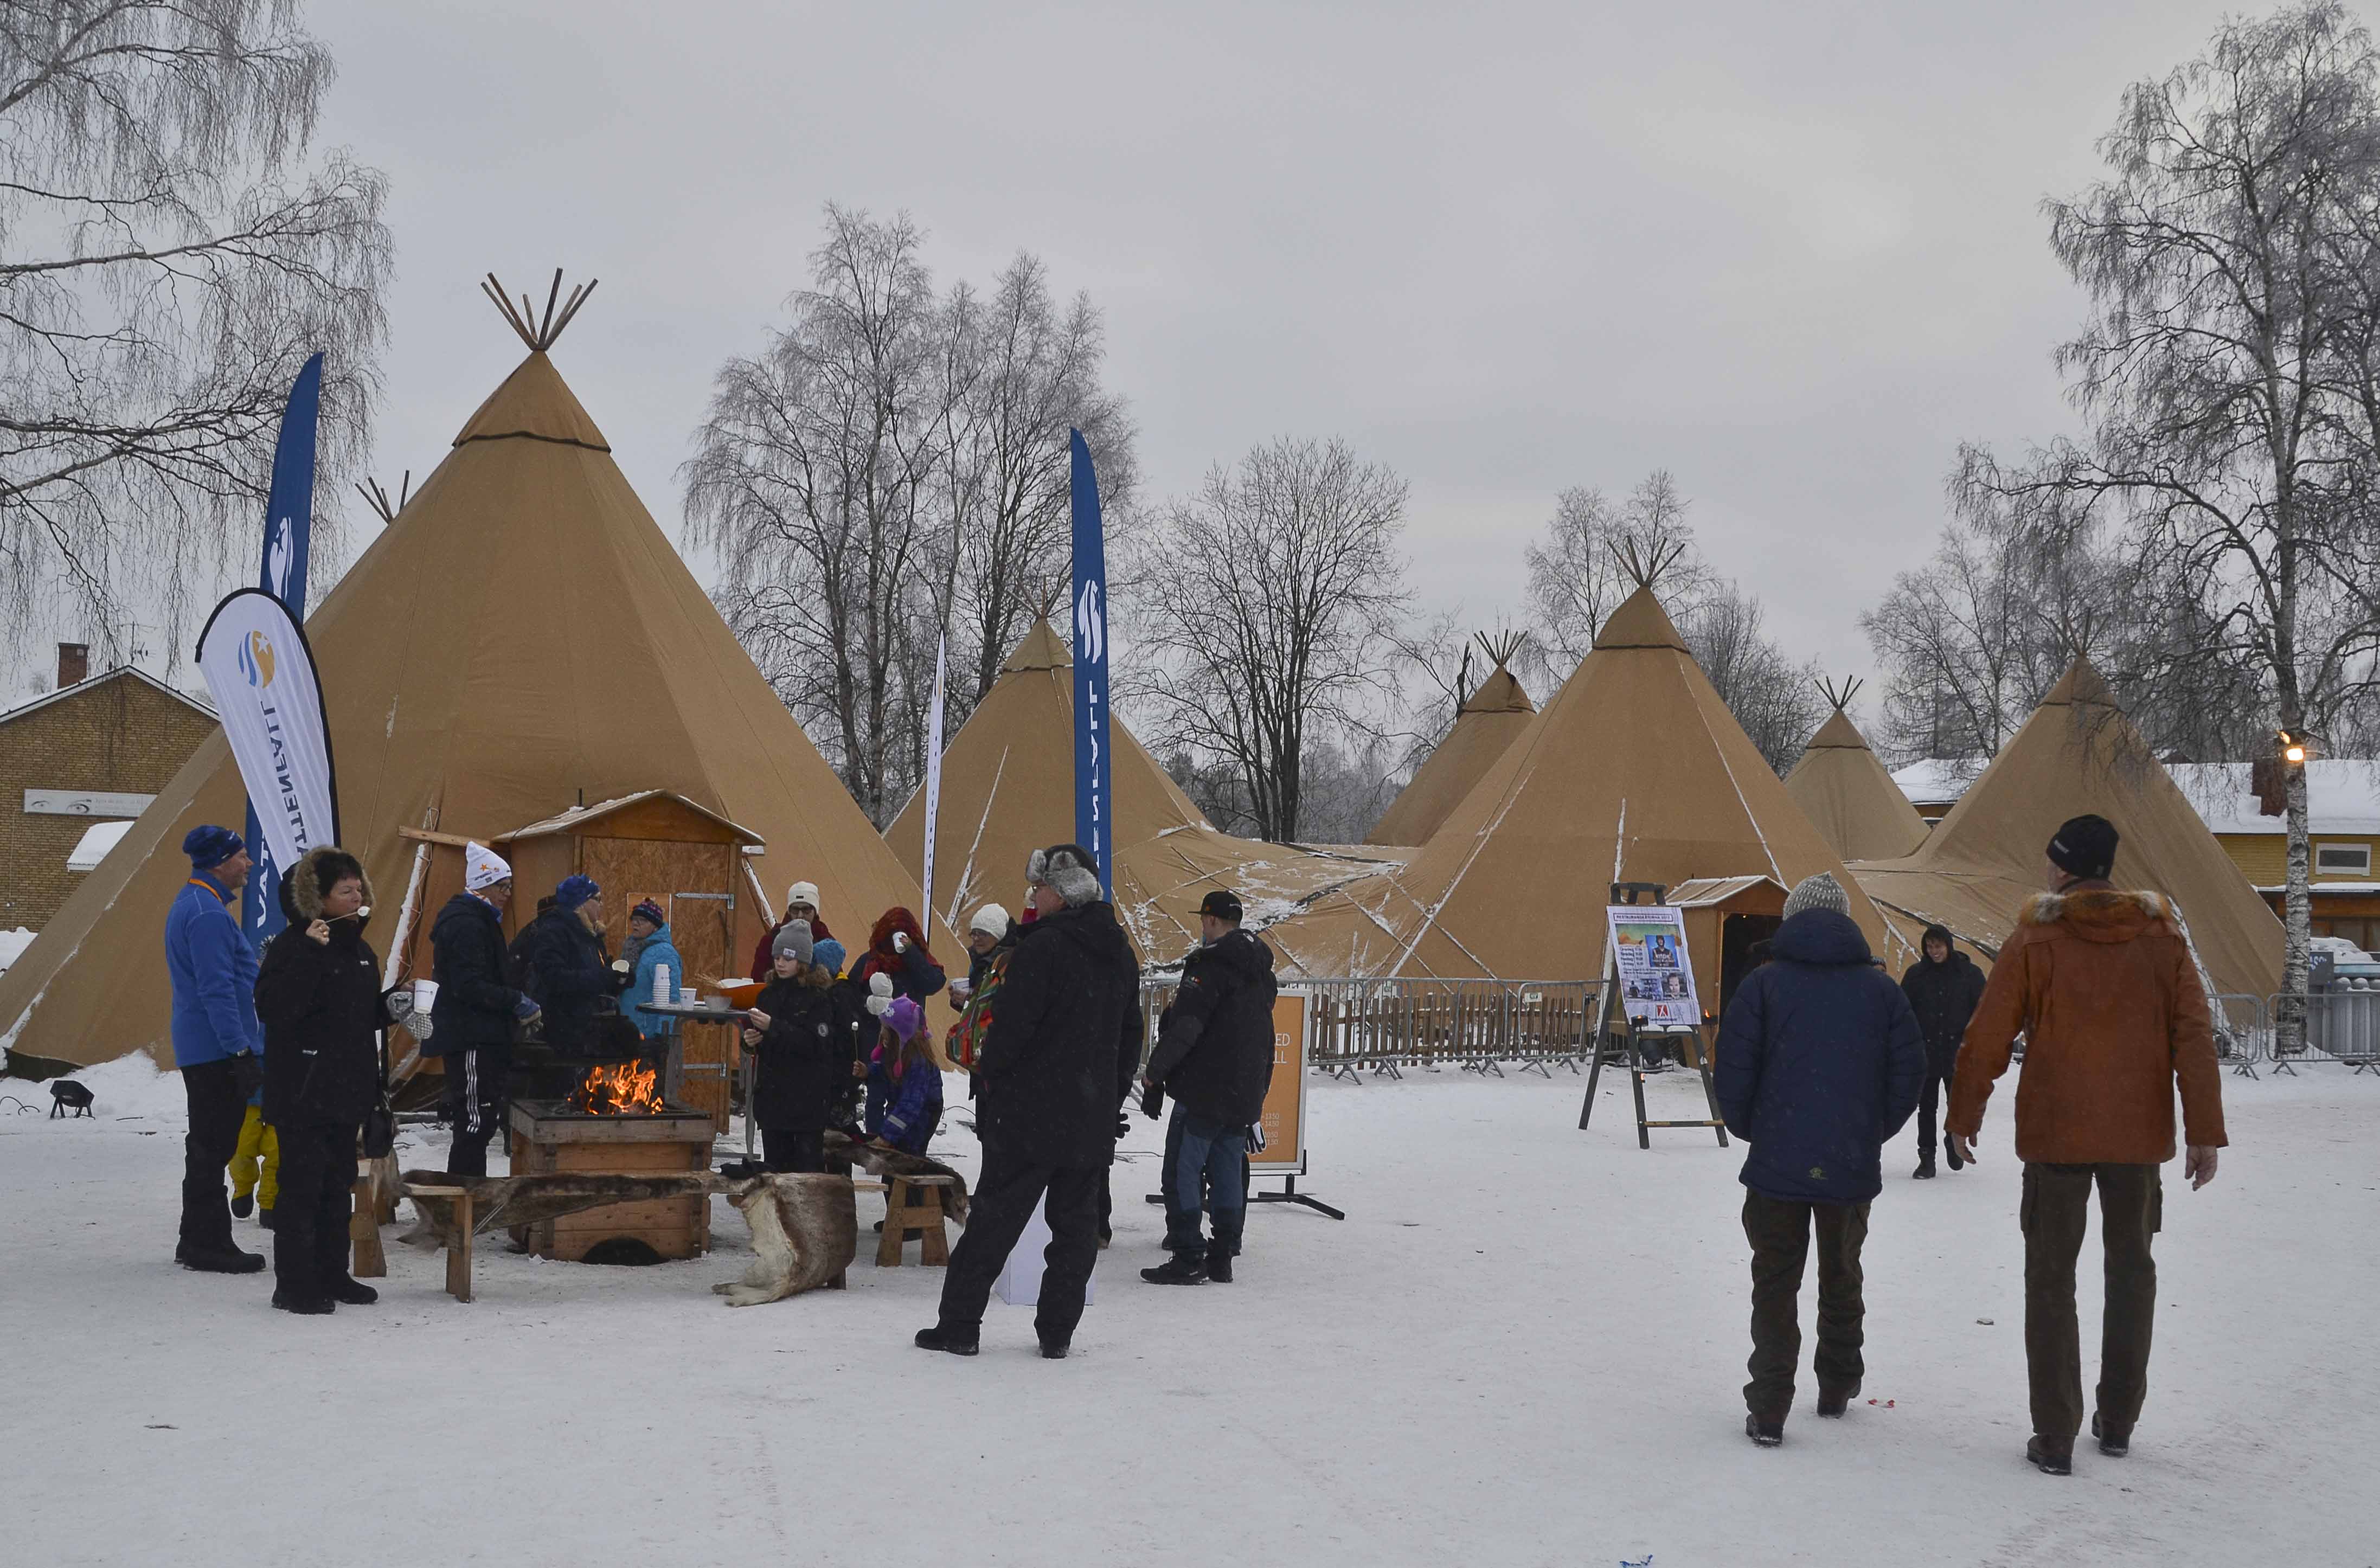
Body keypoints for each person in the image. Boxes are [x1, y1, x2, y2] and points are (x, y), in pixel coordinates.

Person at [1946, 814, 2227, 1477]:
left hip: (2057, 1134)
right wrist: (2204, 1130)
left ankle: (2055, 1434)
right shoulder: (2162, 939)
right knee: (2131, 1275)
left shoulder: (2035, 938)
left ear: (2065, 867)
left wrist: (1964, 1112)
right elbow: (2193, 1035)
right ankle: (2119, 1419)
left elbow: (1988, 1034)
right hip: (2137, 1136)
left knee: (2050, 1280)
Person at [1715, 871, 1925, 1448]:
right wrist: (1871, 1131)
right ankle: (1837, 1382)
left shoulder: (1763, 985)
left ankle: (1769, 1406)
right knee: (1842, 1274)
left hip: (1777, 1160)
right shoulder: (1881, 991)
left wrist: (1755, 1129)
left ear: (1792, 920)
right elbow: (1908, 1073)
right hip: (1848, 1159)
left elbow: (1732, 1069)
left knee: (1775, 1282)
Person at [918, 844, 1142, 1360]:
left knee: (994, 1221)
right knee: (1076, 1230)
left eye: (1039, 887)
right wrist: (1107, 1094)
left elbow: (1010, 1031)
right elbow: (1131, 1034)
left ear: (1062, 893)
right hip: (1088, 1115)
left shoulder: (1042, 949)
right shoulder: (1119, 952)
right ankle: (1057, 1334)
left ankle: (959, 1326)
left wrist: (994, 1079)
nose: (1032, 895)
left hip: (1029, 1112)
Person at [252, 846, 385, 1315]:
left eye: (358, 889)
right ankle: (293, 1284)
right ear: (317, 898)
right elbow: (275, 1009)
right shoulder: (293, 946)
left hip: (346, 1091)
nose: (356, 897)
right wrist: (311, 951)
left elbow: (356, 1015)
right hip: (303, 1091)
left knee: (337, 1188)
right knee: (302, 1189)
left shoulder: (360, 950)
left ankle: (333, 1273)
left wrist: (395, 1005)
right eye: (345, 891)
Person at [1140, 889, 1278, 1286]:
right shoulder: (1260, 972)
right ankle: (1223, 1255)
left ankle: (1187, 1254)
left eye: (1203, 919)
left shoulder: (1209, 967)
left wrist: (1156, 1071)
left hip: (1204, 1089)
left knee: (1183, 1170)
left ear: (1213, 920)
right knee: (1227, 1170)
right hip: (1244, 1089)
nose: (1201, 925)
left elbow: (1188, 1027)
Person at [165, 825, 269, 1274]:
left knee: (207, 1147)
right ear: (220, 862)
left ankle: (195, 1239)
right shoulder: (207, 914)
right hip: (215, 1050)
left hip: (206, 1046)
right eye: (242, 856)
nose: (249, 864)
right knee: (213, 1148)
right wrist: (239, 1051)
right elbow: (217, 989)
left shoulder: (196, 903)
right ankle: (210, 1245)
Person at [427, 844, 541, 1177]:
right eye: (501, 886)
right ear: (482, 885)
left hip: (480, 1034)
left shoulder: (479, 920)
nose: (508, 894)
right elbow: (469, 985)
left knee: (480, 1120)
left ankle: (467, 1194)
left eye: (510, 886)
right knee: (475, 1121)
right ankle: (463, 1195)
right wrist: (514, 1000)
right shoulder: (467, 924)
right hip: (471, 1037)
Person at [741, 923, 846, 1173]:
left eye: (788, 959)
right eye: (777, 958)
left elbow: (816, 1045)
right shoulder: (767, 995)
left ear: (802, 961)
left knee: (806, 1175)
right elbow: (762, 1043)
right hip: (773, 1102)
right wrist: (750, 1042)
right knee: (775, 1174)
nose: (780, 964)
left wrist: (774, 1027)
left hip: (805, 1105)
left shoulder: (818, 998)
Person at [1900, 923, 1986, 1179]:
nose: (1934, 951)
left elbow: (1984, 1012)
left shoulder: (1969, 975)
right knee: (1926, 1109)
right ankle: (1926, 1158)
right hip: (1925, 1054)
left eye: (1938, 946)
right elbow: (1904, 1012)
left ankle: (1953, 1140)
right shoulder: (1916, 976)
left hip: (1958, 1055)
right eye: (1929, 947)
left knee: (1956, 1105)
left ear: (1948, 945)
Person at [518, 875, 618, 1057]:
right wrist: (602, 977)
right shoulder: (555, 931)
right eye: (597, 899)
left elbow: (595, 976)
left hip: (586, 1029)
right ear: (581, 903)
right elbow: (555, 978)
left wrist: (618, 979)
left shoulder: (591, 935)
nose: (601, 905)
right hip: (561, 1031)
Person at [866, 995, 942, 1156]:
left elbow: (911, 1104)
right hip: (900, 1104)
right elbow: (885, 1069)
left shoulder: (918, 1062)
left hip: (923, 1113)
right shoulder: (894, 1050)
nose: (882, 1033)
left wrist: (887, 1137)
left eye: (886, 1030)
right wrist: (868, 1072)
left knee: (907, 1153)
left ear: (898, 1035)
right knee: (893, 1148)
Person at [623, 899, 684, 1088]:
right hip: (630, 1031)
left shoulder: (663, 953)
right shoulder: (633, 948)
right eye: (634, 919)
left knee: (646, 1089)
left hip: (648, 1034)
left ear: (655, 926)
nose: (636, 924)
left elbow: (672, 997)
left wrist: (662, 1035)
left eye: (642, 920)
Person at [854, 906, 946, 1006]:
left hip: (906, 1016)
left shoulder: (917, 960)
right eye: (892, 932)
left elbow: (933, 983)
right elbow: (851, 992)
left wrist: (910, 951)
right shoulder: (872, 959)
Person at [749, 881, 833, 982]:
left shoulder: (826, 942)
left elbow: (836, 979)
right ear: (789, 911)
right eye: (795, 910)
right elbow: (758, 979)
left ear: (815, 911)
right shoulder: (771, 940)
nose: (800, 915)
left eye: (806, 910)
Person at [227, 1074, 279, 1231]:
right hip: (246, 1095)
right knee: (241, 1149)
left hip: (282, 1094)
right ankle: (243, 1187)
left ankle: (270, 1203)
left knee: (278, 1153)